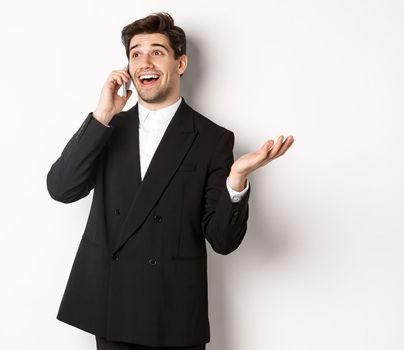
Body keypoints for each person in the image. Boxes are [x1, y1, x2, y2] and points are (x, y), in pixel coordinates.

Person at [46, 12, 294, 350]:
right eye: (136, 53)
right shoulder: (107, 129)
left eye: (157, 52)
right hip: (112, 306)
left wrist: (236, 180)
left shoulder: (212, 139)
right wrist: (102, 115)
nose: (144, 61)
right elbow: (61, 189)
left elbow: (222, 240)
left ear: (181, 63)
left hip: (173, 312)